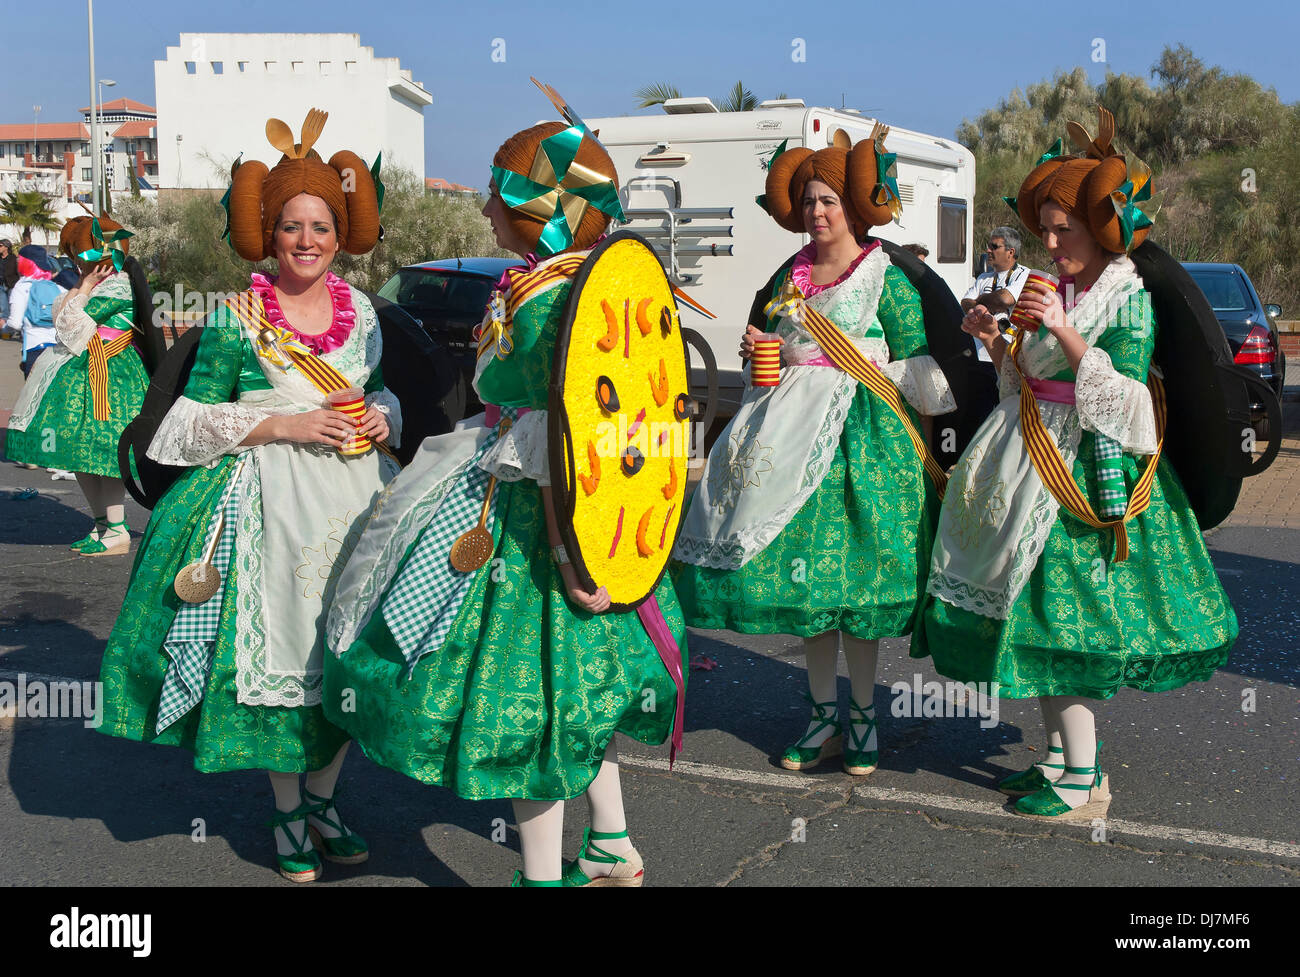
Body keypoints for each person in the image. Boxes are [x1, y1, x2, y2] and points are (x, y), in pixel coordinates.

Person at [324, 114, 682, 887]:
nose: (485, 208)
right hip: (571, 519)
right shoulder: (561, 283)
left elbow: (564, 450)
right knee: (579, 699)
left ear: (543, 207)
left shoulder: (556, 299)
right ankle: (611, 842)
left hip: (541, 527)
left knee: (523, 711)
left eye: (497, 194)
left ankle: (543, 878)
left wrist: (567, 551)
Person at [96, 109, 400, 882]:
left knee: (345, 658)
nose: (307, 239)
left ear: (340, 234)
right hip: (267, 505)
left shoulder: (361, 313)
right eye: (292, 225)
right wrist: (288, 422)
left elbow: (386, 393)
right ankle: (290, 809)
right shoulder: (236, 317)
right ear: (268, 231)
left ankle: (327, 799)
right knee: (284, 657)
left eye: (321, 225)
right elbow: (184, 425)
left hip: (357, 501)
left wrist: (380, 413)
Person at [913, 109, 1238, 820]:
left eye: (1065, 230)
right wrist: (998, 342)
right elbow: (1027, 381)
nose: (1051, 243)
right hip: (1024, 456)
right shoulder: (1056, 290)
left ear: (1103, 230)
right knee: (1032, 623)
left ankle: (1086, 779)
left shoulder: (1128, 298)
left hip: (1084, 480)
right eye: (1046, 230)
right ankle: (1060, 757)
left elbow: (1129, 406)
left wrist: (1060, 329)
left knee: (1066, 626)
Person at [672, 130, 955, 777]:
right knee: (810, 591)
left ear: (854, 208)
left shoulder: (888, 276)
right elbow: (770, 362)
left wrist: (872, 361)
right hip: (785, 446)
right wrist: (757, 355)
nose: (817, 213)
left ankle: (862, 719)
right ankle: (823, 716)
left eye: (827, 200)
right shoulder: (788, 275)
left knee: (854, 592)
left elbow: (922, 366)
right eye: (808, 202)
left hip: (863, 446)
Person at [7, 228, 149, 544]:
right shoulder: (95, 286)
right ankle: (100, 527)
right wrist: (84, 286)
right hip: (82, 371)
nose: (76, 262)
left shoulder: (119, 287)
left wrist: (84, 285)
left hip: (112, 378)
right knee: (78, 454)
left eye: (79, 255)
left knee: (105, 454)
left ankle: (116, 530)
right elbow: (63, 318)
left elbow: (72, 324)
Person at [0, 238, 19, 339]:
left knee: (13, 309)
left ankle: (12, 330)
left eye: (0, 246)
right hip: (1, 286)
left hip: (11, 285)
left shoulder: (13, 258)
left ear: (6, 247)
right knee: (4, 309)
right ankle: (5, 333)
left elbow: (18, 273)